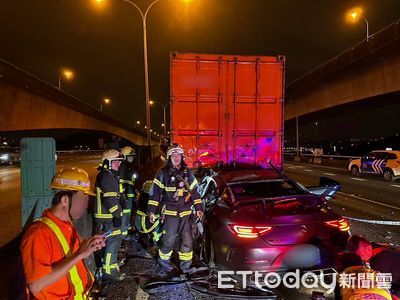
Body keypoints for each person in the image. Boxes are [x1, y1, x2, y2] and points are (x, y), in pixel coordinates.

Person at [20, 167, 106, 299]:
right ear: (65, 200)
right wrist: (80, 255)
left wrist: (90, 243)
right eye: (83, 200)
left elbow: (73, 248)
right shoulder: (38, 234)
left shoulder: (66, 224)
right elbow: (36, 285)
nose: (85, 205)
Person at [147, 144, 204, 273]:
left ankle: (186, 266)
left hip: (185, 213)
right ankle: (164, 262)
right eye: (173, 155)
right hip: (170, 213)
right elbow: (155, 193)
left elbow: (195, 192)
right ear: (169, 157)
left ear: (182, 157)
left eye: (178, 155)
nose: (176, 157)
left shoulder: (187, 173)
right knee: (168, 239)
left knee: (187, 240)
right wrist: (151, 211)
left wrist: (199, 208)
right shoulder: (162, 173)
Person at [94, 149, 124, 284]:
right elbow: (110, 200)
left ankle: (109, 266)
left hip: (106, 216)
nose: (118, 164)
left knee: (109, 243)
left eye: (119, 161)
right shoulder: (107, 176)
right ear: (107, 163)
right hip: (107, 217)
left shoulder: (107, 175)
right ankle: (109, 272)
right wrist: (117, 215)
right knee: (112, 242)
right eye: (116, 162)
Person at [347, 235, 400, 299]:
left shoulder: (380, 263)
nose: (362, 260)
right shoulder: (376, 246)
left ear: (368, 248)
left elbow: (383, 287)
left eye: (362, 256)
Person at [118, 146, 138, 240]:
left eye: (132, 157)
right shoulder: (122, 167)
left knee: (128, 214)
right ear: (124, 157)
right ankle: (123, 234)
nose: (132, 159)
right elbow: (121, 183)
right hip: (125, 197)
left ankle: (127, 229)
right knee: (125, 214)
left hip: (129, 196)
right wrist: (123, 196)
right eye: (130, 157)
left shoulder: (128, 167)